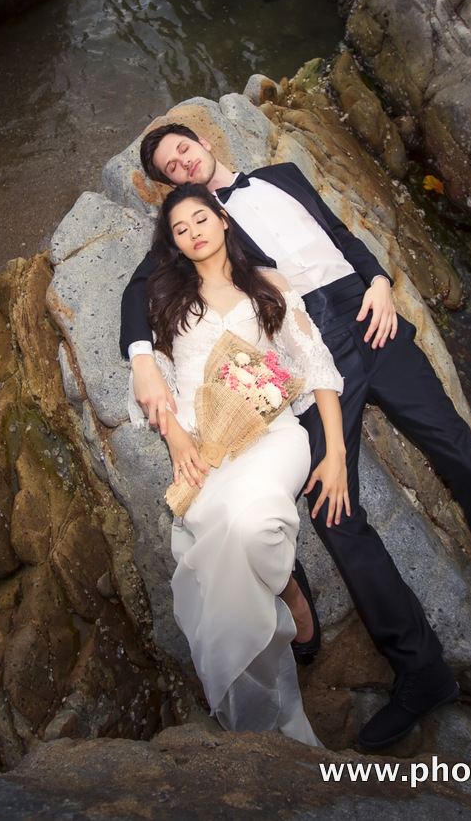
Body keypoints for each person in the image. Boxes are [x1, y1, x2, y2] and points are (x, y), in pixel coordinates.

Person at [121, 122, 471, 751]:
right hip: (309, 339)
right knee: (336, 512)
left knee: (456, 450)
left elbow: (340, 236)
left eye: (183, 151)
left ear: (204, 142)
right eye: (168, 171)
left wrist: (379, 280)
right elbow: (134, 289)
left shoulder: (282, 175)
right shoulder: (199, 222)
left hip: (368, 315)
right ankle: (422, 669)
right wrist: (142, 356)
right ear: (167, 190)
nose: (181, 166)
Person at [136, 184, 347, 747]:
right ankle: (267, 687)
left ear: (223, 219)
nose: (194, 232)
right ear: (175, 245)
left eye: (201, 218)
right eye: (180, 229)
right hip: (205, 449)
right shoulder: (165, 298)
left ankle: (291, 595)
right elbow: (157, 373)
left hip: (274, 434)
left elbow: (316, 366)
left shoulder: (269, 285)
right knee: (226, 528)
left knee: (254, 526)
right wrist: (177, 436)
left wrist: (337, 453)